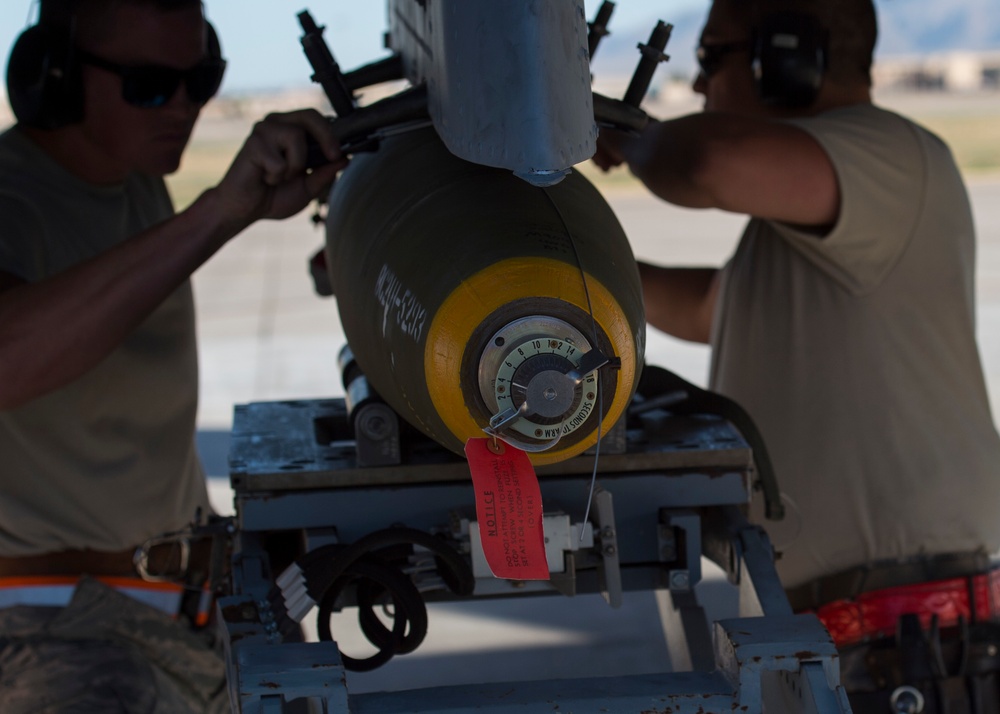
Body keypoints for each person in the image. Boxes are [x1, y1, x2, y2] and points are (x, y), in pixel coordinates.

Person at [595, 0, 1000, 709]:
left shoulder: (890, 156)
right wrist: (562, 273)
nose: (697, 87)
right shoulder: (815, 226)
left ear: (783, 57)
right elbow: (708, 309)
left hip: (902, 648)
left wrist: (625, 139)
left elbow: (708, 159)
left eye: (711, 59)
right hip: (850, 644)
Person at [0, 0, 346, 710]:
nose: (183, 107)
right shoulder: (12, 200)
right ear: (56, 77)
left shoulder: (136, 182)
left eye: (203, 78)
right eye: (152, 86)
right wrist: (220, 212)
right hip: (56, 629)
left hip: (186, 612)